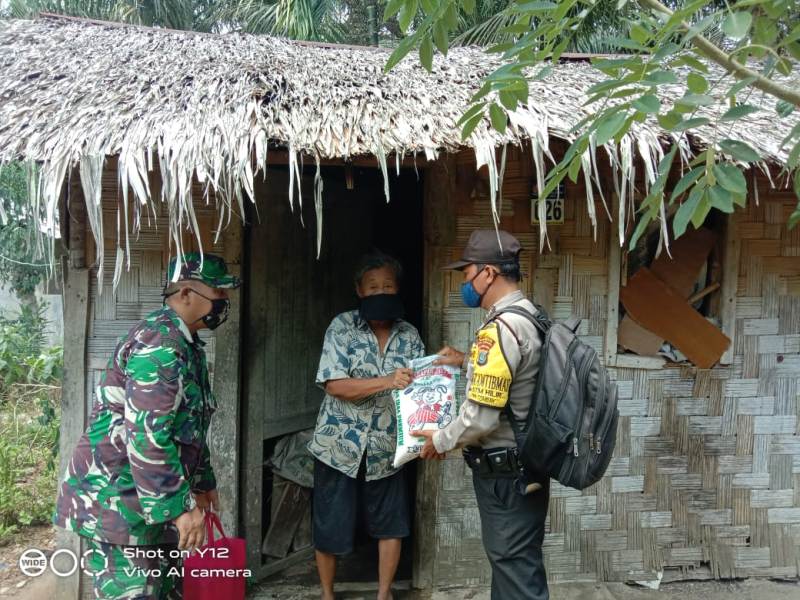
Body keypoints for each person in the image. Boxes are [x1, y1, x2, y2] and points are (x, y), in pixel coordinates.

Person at [53, 252, 240, 599]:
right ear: (185, 294)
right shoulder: (161, 346)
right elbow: (148, 437)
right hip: (117, 504)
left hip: (148, 502)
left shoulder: (186, 344)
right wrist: (181, 509)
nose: (224, 302)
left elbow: (189, 425)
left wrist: (201, 481)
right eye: (218, 294)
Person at [414, 230, 549, 600]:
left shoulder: (499, 330)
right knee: (516, 565)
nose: (464, 282)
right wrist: (465, 359)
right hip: (527, 468)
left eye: (467, 272)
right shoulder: (529, 315)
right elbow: (517, 376)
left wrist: (438, 440)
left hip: (507, 475)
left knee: (515, 570)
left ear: (488, 273)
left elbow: (481, 419)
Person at [309, 251, 425, 600]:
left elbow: (423, 390)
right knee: (330, 523)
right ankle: (328, 594)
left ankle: (383, 594)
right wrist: (387, 380)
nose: (381, 292)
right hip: (338, 444)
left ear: (398, 289)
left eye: (388, 286)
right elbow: (334, 385)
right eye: (373, 287)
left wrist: (428, 434)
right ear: (359, 291)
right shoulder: (342, 327)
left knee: (392, 523)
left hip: (387, 447)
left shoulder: (409, 335)